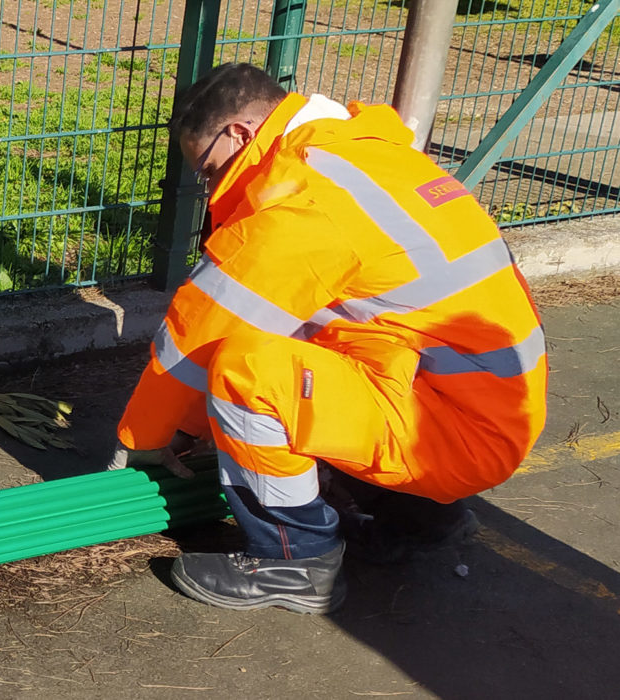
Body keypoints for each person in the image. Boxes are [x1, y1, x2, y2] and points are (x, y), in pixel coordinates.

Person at [107, 63, 547, 614]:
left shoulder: (302, 202)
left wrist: (149, 439)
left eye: (210, 169)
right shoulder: (360, 155)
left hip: (455, 431)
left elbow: (200, 334)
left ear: (240, 134)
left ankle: (296, 560)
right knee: (309, 340)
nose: (213, 186)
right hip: (481, 413)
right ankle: (423, 518)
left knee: (250, 372)